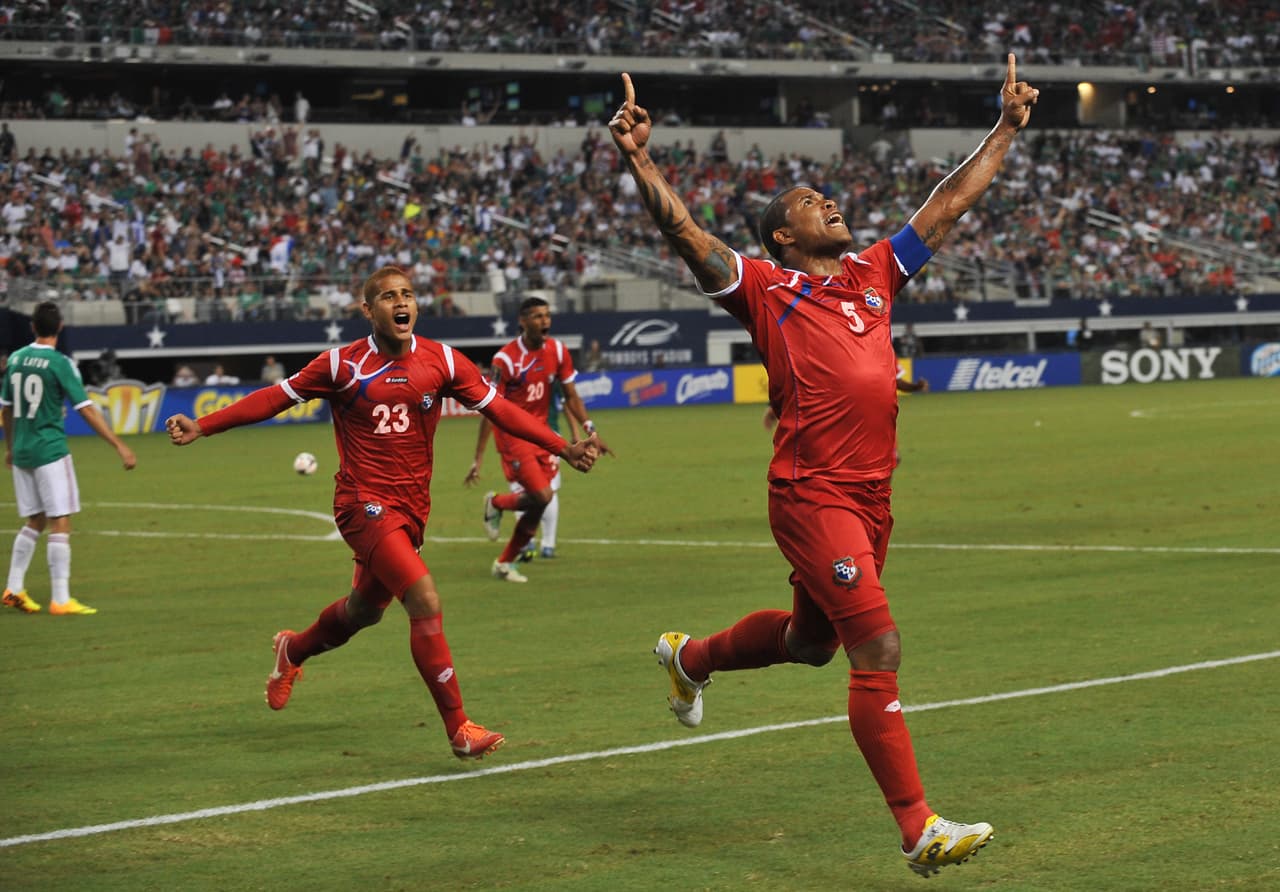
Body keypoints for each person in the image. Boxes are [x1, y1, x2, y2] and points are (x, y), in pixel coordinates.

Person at [609, 56, 1038, 877]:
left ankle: (689, 658)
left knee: (811, 644)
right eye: (811, 203)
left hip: (873, 498)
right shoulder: (766, 288)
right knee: (877, 645)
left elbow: (949, 203)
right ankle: (917, 829)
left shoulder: (875, 274)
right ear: (783, 236)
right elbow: (686, 236)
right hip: (813, 495)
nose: (830, 203)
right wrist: (639, 158)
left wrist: (1006, 128)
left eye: (827, 198)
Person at [164, 267, 600, 760]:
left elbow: (500, 409)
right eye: (389, 296)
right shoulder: (341, 365)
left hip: (411, 510)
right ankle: (459, 728)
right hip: (361, 503)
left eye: (407, 294)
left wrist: (563, 446)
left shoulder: (443, 360)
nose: (402, 302)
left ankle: (293, 649)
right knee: (424, 598)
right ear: (368, 310)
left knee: (363, 612)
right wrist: (204, 425)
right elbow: (274, 399)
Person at [1, 301, 138, 616]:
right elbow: (86, 410)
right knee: (60, 520)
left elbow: (6, 409)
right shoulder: (60, 363)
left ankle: (13, 587)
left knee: (35, 519)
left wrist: (10, 447)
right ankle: (61, 598)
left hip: (22, 450)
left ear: (32, 327)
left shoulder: (16, 359)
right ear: (60, 327)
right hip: (50, 450)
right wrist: (119, 445)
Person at [464, 297, 611, 581]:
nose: (544, 321)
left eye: (547, 315)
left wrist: (590, 428)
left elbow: (571, 395)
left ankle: (504, 555)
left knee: (541, 500)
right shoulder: (505, 360)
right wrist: (477, 458)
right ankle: (498, 508)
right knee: (543, 495)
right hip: (513, 436)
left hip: (542, 434)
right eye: (537, 316)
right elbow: (489, 409)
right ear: (522, 321)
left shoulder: (557, 350)